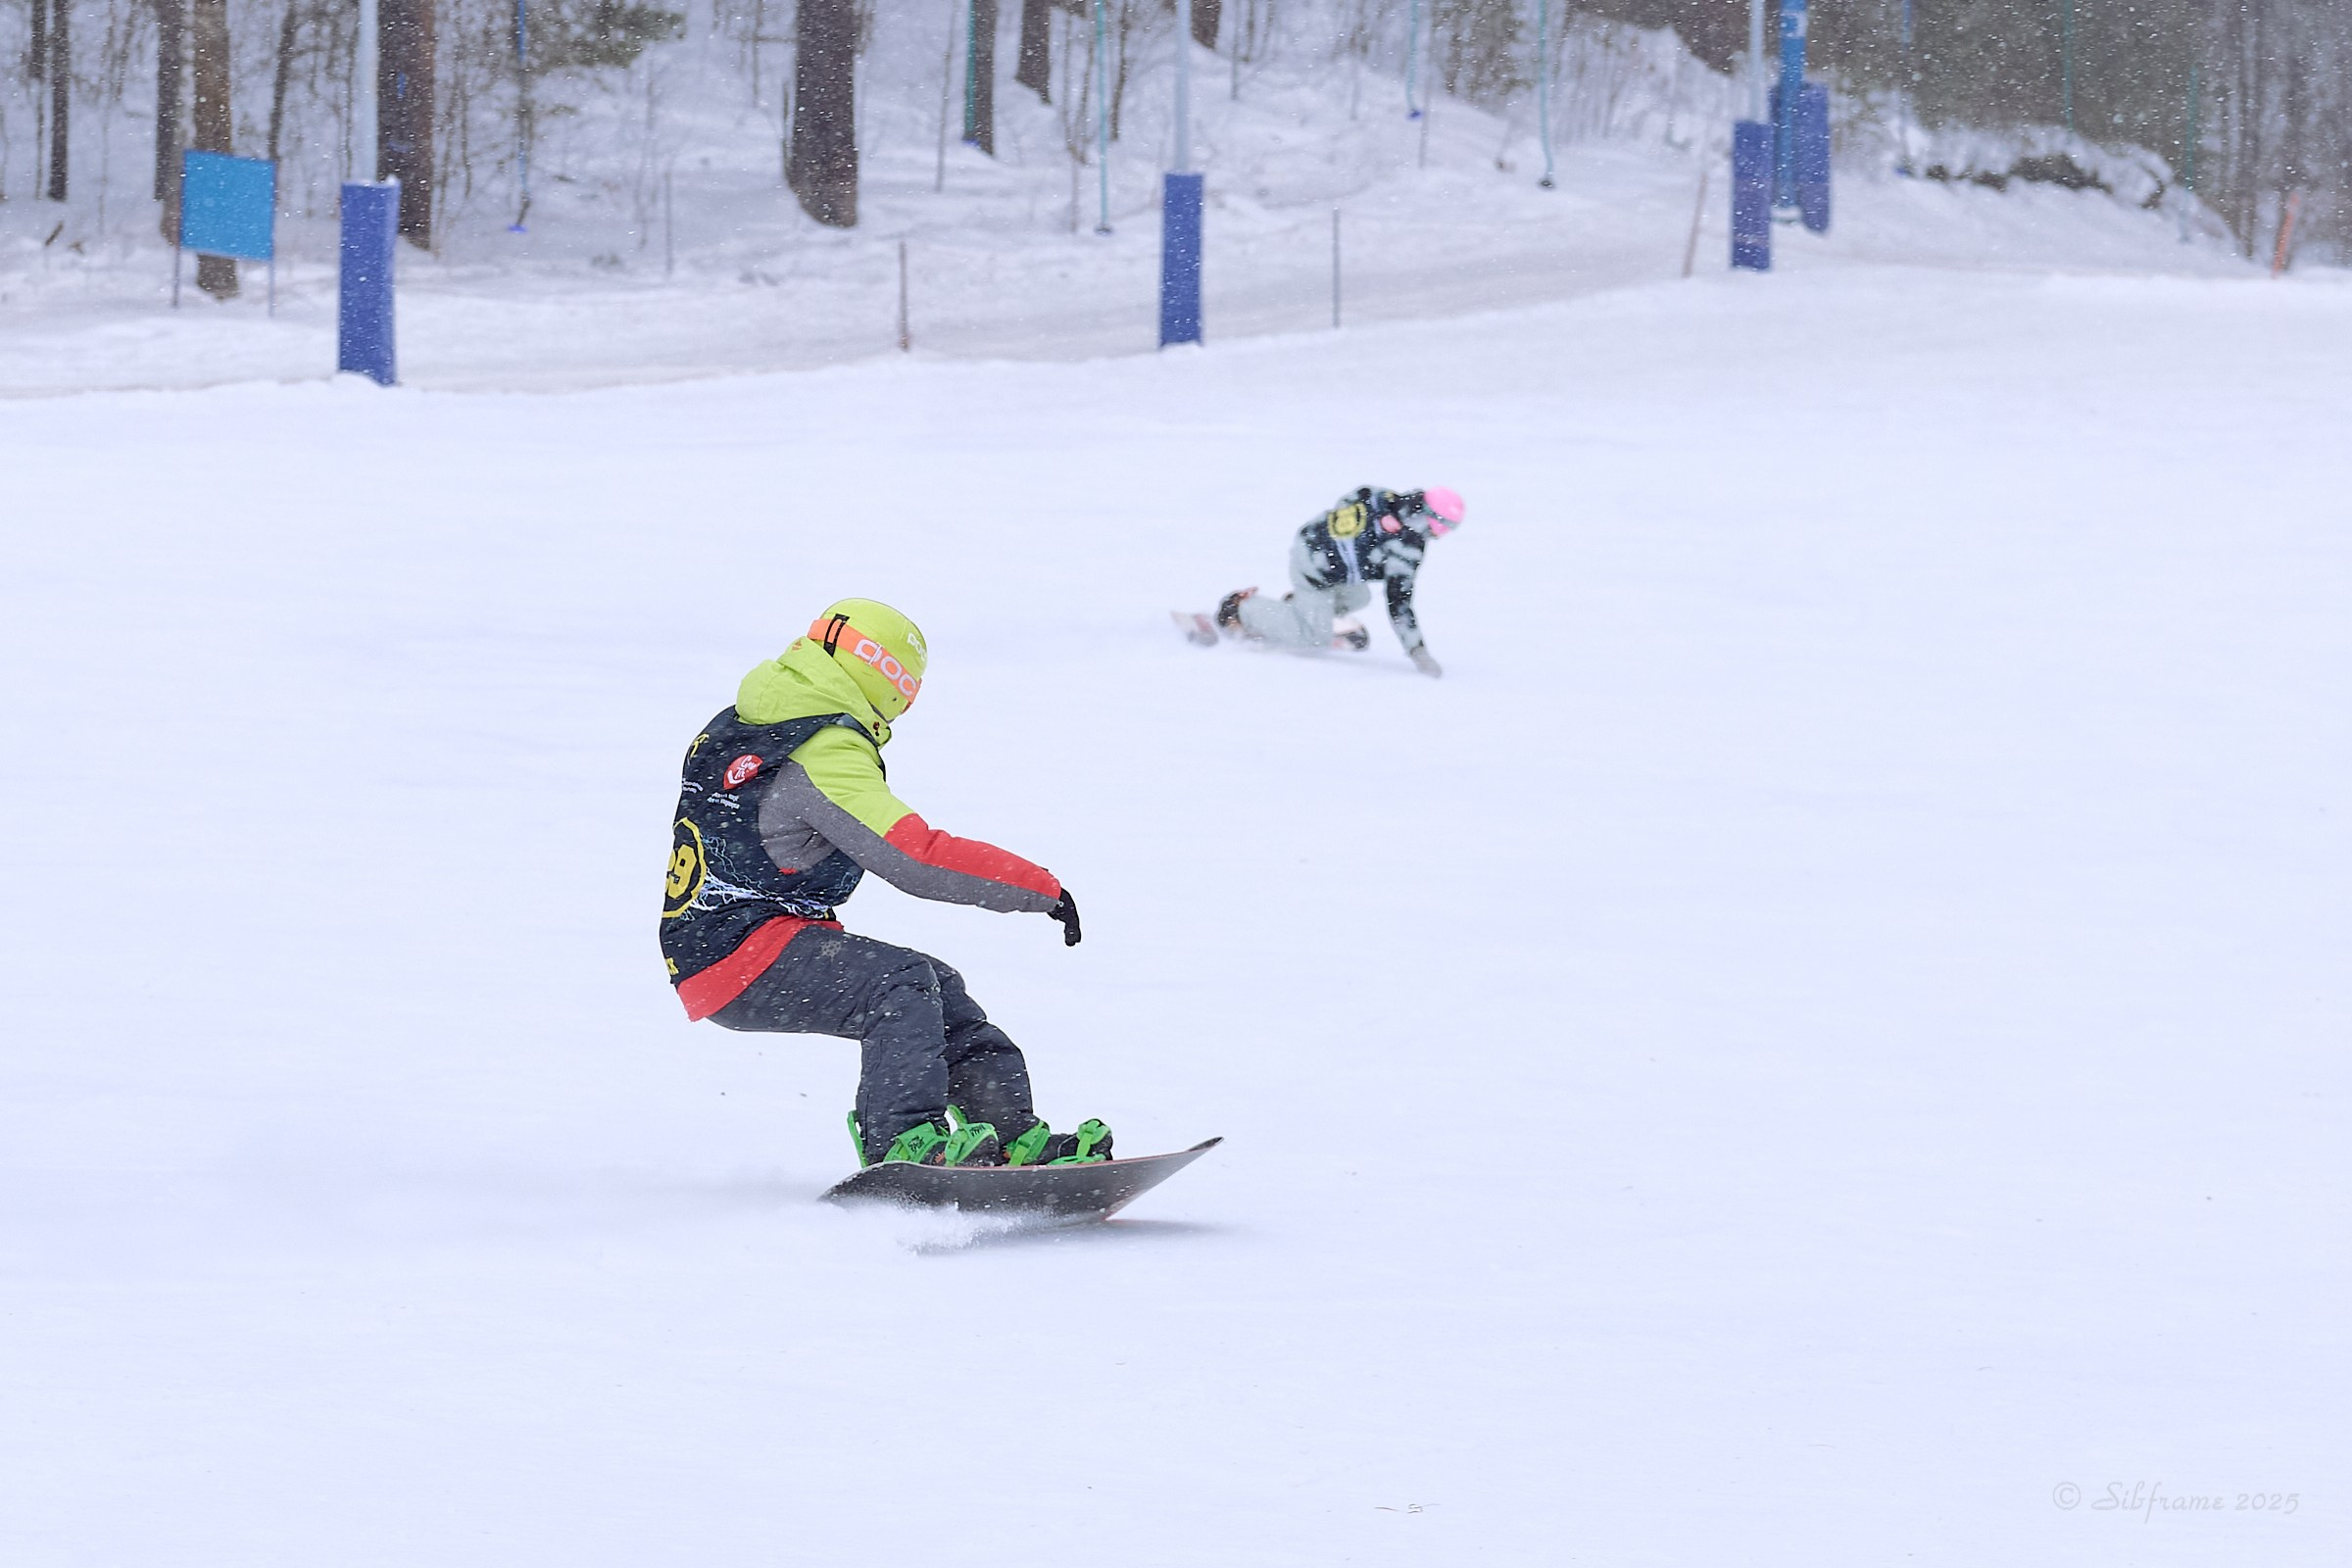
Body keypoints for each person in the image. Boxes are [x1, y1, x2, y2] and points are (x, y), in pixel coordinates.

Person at [660, 598, 1108, 1170]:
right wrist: (1040, 889)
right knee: (899, 984)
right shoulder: (821, 749)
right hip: (740, 951)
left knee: (935, 987)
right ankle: (902, 1145)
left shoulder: (752, 720)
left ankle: (1008, 1133)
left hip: (718, 942)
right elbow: (913, 857)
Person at [1214, 485, 1465, 676]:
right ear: (1426, 515)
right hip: (1314, 566)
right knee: (1314, 638)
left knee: (1360, 597)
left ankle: (1299, 609)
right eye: (1442, 528)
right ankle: (1239, 609)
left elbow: (1352, 497)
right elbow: (1399, 602)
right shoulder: (1405, 546)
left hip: (1328, 558)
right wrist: (1417, 651)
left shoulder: (1384, 498)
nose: (1440, 536)